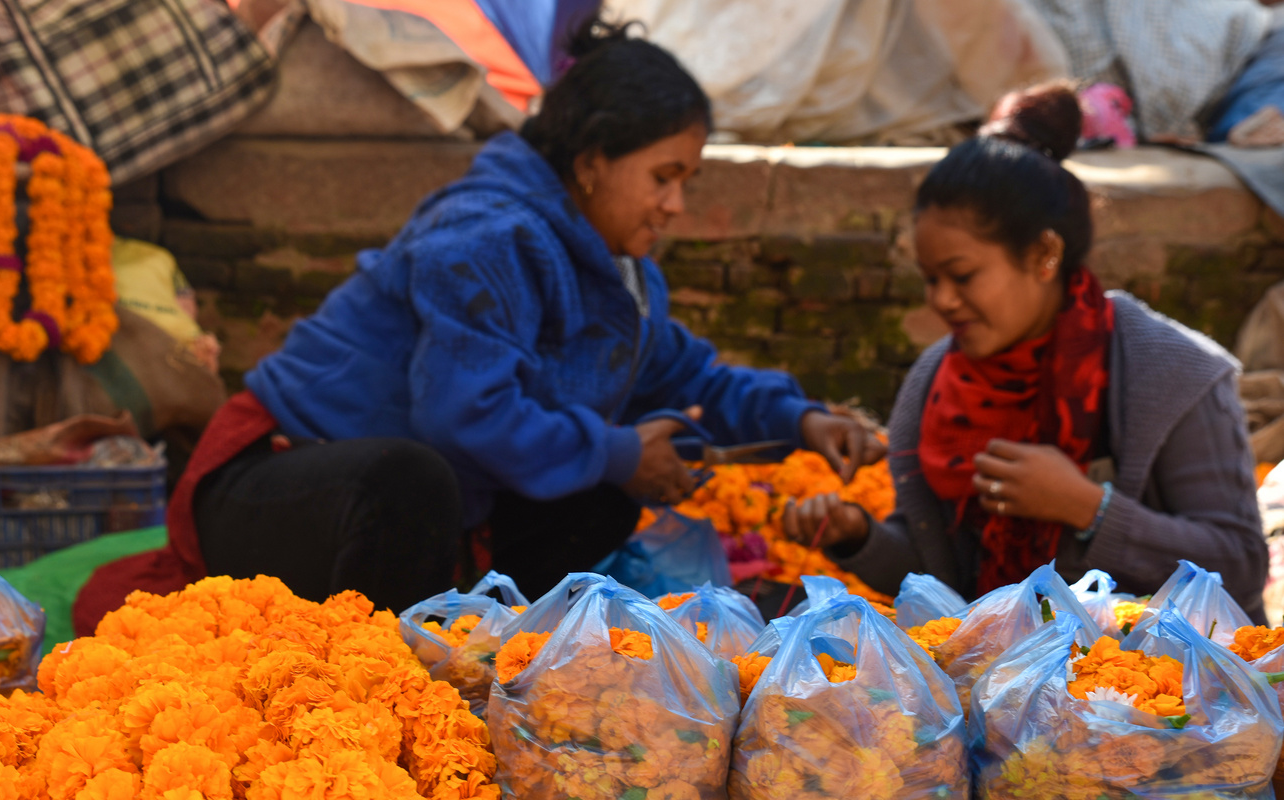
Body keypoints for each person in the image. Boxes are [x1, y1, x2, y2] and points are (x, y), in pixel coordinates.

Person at [76, 20, 876, 628]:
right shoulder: (488, 238)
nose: (675, 205)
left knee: (596, 501)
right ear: (593, 161)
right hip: (277, 482)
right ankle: (392, 683)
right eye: (663, 178)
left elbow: (694, 375)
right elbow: (462, 415)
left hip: (413, 512)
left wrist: (800, 419)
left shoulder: (623, 279)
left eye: (686, 181)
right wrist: (621, 449)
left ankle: (473, 640)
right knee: (414, 476)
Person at [781, 84, 1268, 620]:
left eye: (962, 276)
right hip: (1000, 684)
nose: (941, 301)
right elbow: (941, 577)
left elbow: (1240, 565)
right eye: (930, 278)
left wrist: (1088, 508)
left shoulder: (1172, 375)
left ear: (1044, 254)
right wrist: (858, 536)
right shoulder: (936, 383)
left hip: (1161, 688)